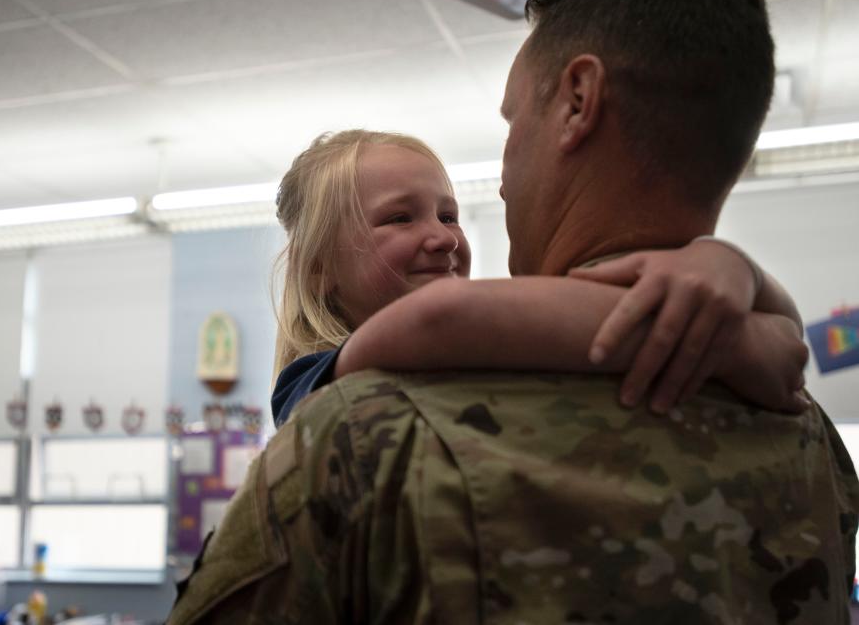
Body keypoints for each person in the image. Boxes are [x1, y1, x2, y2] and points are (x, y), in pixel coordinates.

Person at [168, 0, 859, 624]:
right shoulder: (806, 430)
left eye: (510, 120)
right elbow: (443, 321)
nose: (490, 188)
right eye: (398, 219)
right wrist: (734, 326)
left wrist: (731, 282)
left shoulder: (359, 439)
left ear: (578, 100)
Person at [270, 130, 807, 427]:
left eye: (448, 215)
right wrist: (732, 341)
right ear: (319, 270)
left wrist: (737, 270)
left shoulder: (472, 347)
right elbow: (442, 320)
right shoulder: (306, 386)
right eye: (400, 218)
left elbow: (792, 338)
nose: (444, 238)